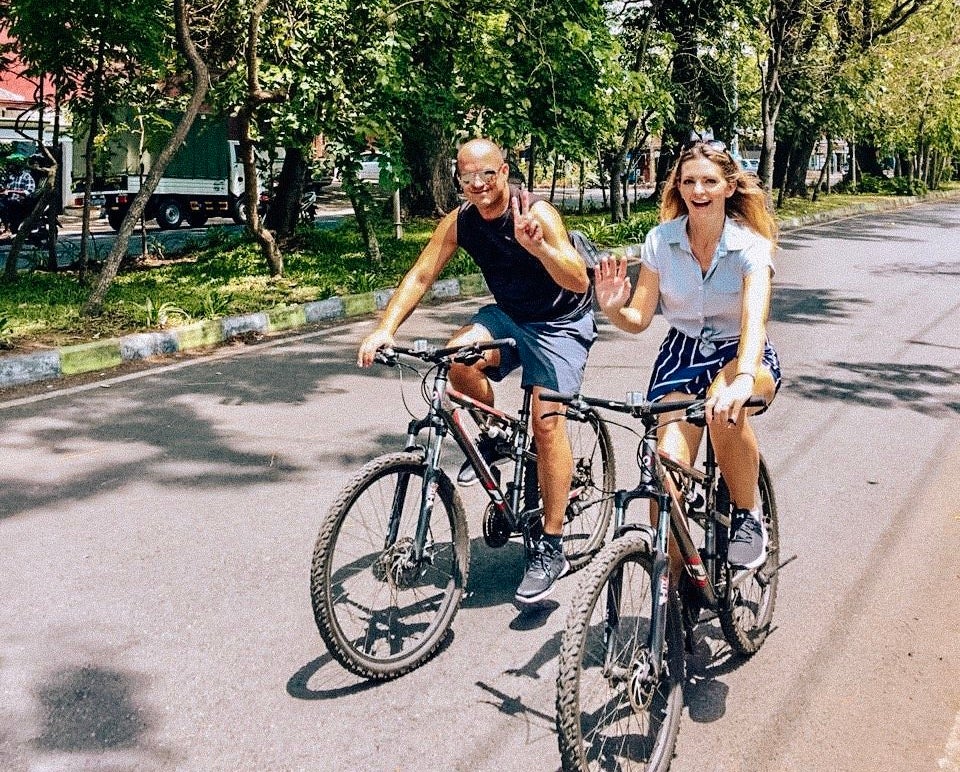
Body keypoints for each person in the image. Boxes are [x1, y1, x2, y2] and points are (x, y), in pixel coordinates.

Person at [357, 137, 596, 605]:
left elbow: (578, 278)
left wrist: (542, 248)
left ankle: (549, 545)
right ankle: (497, 435)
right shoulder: (461, 222)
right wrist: (383, 328)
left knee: (547, 425)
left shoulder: (537, 213)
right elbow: (421, 275)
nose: (479, 185)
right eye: (468, 177)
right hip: (509, 316)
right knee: (455, 359)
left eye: (488, 174)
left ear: (505, 172)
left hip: (559, 322)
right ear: (458, 180)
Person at [594, 138, 782, 569]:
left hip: (741, 352)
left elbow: (755, 322)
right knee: (669, 474)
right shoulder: (660, 241)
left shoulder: (750, 246)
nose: (699, 191)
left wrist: (742, 380)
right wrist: (611, 307)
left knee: (723, 410)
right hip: (681, 355)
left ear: (729, 187)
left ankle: (747, 514)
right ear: (678, 187)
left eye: (709, 182)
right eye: (689, 182)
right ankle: (672, 600)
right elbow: (639, 318)